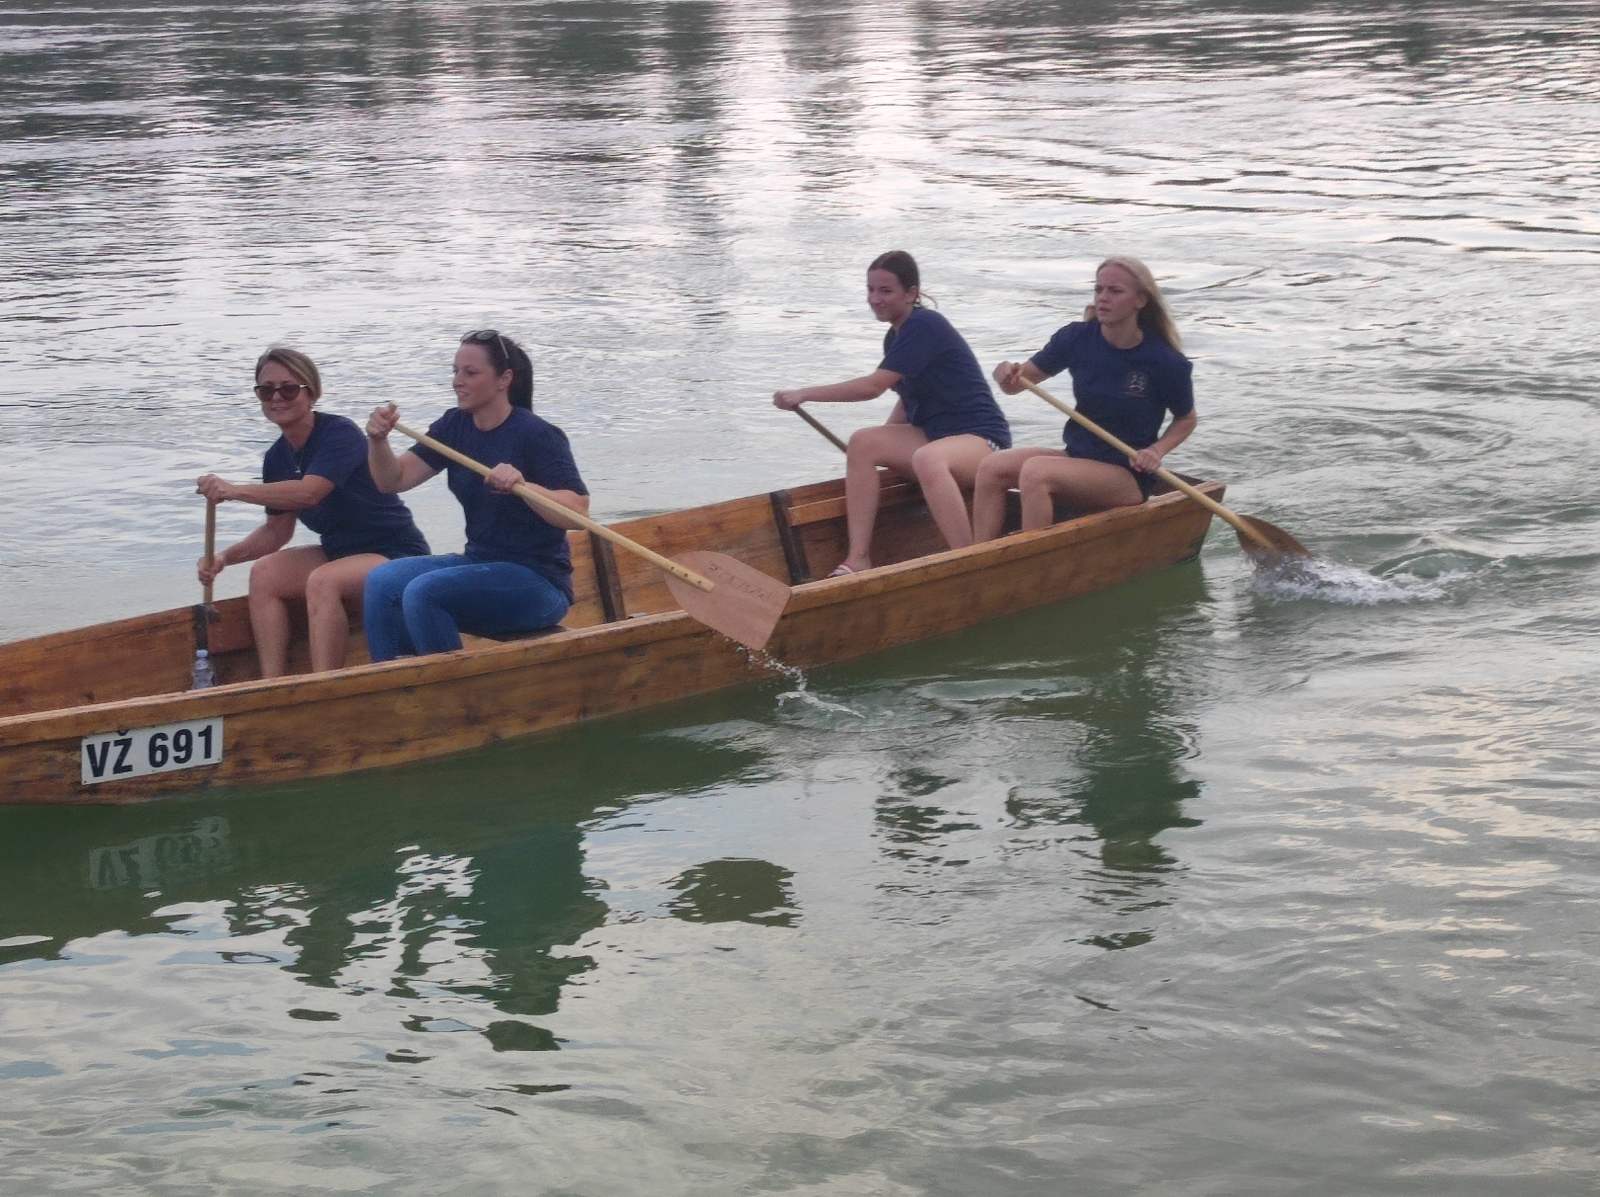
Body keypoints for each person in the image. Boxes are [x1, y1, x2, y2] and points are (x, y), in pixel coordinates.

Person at [772, 250, 1011, 576]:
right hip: (936, 437)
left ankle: (967, 559)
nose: (875, 299)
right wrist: (882, 449)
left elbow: (873, 387)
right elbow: (905, 398)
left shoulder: (925, 325)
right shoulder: (895, 335)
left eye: (885, 291)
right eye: (870, 290)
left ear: (911, 293)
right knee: (863, 442)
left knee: (928, 459)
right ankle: (858, 559)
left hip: (982, 441)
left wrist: (805, 394)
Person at [196, 347, 430, 678]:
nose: (277, 397)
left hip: (394, 554)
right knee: (264, 575)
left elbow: (310, 492)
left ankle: (322, 689)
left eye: (288, 389)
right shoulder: (276, 458)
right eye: (266, 390)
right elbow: (277, 532)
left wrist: (233, 490)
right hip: (339, 553)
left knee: (322, 581)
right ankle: (272, 687)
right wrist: (223, 558)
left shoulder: (340, 434)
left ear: (311, 393)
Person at [362, 329, 590, 660]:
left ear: (504, 379)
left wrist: (524, 487)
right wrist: (378, 441)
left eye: (470, 373)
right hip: (479, 562)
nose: (458, 380)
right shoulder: (455, 426)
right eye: (455, 371)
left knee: (424, 592)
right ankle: (396, 687)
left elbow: (578, 513)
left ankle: (450, 695)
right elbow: (393, 480)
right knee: (382, 581)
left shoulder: (537, 435)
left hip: (539, 583)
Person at [972, 256, 1197, 540]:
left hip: (1125, 473)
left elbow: (1186, 419)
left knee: (1036, 473)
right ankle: (974, 559)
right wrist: (1004, 374)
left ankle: (1032, 570)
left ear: (1140, 300)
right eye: (1098, 289)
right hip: (1077, 456)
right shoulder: (1075, 339)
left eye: (1114, 291)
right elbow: (1016, 385)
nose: (1103, 298)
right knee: (992, 467)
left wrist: (1156, 451)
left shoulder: (1165, 361)